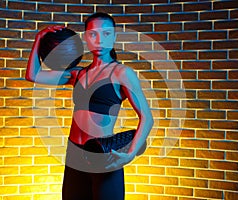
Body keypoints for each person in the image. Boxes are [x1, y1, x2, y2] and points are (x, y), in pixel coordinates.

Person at [26, 12, 153, 200]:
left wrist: (130, 154)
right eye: (93, 34)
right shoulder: (77, 74)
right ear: (86, 38)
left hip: (102, 155)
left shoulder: (122, 73)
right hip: (74, 154)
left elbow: (147, 118)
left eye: (106, 34)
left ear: (114, 37)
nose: (100, 39)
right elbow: (33, 75)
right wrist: (39, 39)